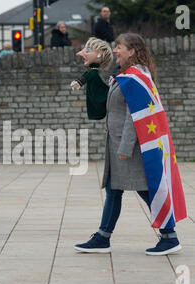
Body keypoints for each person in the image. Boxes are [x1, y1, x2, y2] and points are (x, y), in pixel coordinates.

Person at [74, 33, 187, 256]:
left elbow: (133, 116)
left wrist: (124, 148)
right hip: (119, 144)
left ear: (132, 51)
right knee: (114, 190)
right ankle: (102, 237)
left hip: (129, 148)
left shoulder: (135, 78)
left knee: (145, 189)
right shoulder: (128, 75)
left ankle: (169, 236)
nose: (115, 50)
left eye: (119, 47)